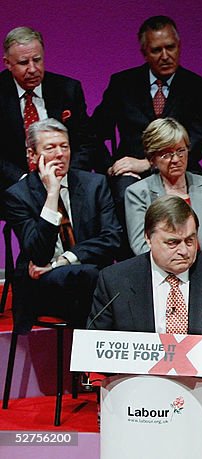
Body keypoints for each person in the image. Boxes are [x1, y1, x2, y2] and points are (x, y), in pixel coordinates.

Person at [90, 195, 202, 459]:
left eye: (190, 240)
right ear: (148, 239)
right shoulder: (114, 280)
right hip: (137, 409)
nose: (184, 250)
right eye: (172, 242)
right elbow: (97, 343)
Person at [92, 16, 202, 228]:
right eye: (157, 50)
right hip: (131, 174)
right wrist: (111, 168)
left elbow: (198, 141)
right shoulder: (122, 84)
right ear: (144, 53)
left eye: (170, 47)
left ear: (179, 46)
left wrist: (150, 164)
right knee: (123, 195)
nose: (165, 56)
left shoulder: (196, 86)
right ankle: (134, 259)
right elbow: (93, 133)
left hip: (182, 167)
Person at [4, 118, 121, 335]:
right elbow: (39, 254)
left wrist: (62, 261)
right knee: (89, 278)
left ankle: (82, 361)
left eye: (64, 146)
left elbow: (112, 237)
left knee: (90, 276)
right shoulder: (18, 196)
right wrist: (52, 194)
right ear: (32, 154)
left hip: (85, 278)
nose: (60, 154)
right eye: (50, 148)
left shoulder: (94, 185)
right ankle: (88, 360)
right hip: (44, 286)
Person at [0, 26, 96, 188]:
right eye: (23, 62)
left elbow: (85, 142)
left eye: (37, 60)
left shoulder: (68, 89)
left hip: (65, 180)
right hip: (12, 184)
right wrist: (23, 181)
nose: (32, 69)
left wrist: (66, 176)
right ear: (7, 63)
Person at [124, 118, 202, 258]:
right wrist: (175, 267)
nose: (176, 159)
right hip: (163, 272)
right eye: (166, 154)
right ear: (152, 159)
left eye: (181, 151)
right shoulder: (137, 193)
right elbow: (141, 245)